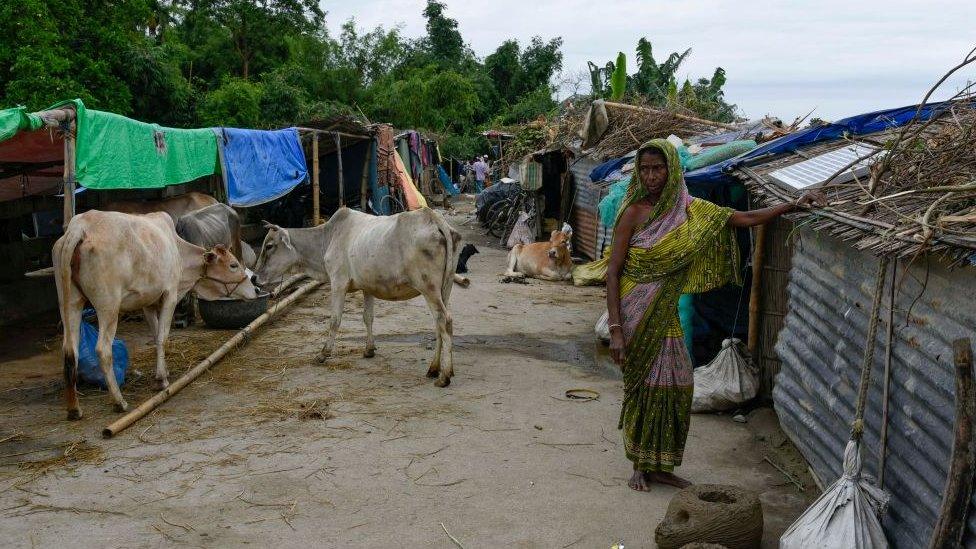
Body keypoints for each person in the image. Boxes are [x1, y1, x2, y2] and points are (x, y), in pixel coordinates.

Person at [573, 139, 824, 492]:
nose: (650, 176)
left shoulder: (692, 211)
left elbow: (745, 218)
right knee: (644, 388)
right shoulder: (632, 212)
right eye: (644, 169)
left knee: (677, 385)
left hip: (666, 310)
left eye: (657, 168)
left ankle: (661, 464)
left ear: (672, 169)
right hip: (634, 310)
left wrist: (791, 205)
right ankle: (639, 465)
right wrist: (615, 329)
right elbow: (613, 272)